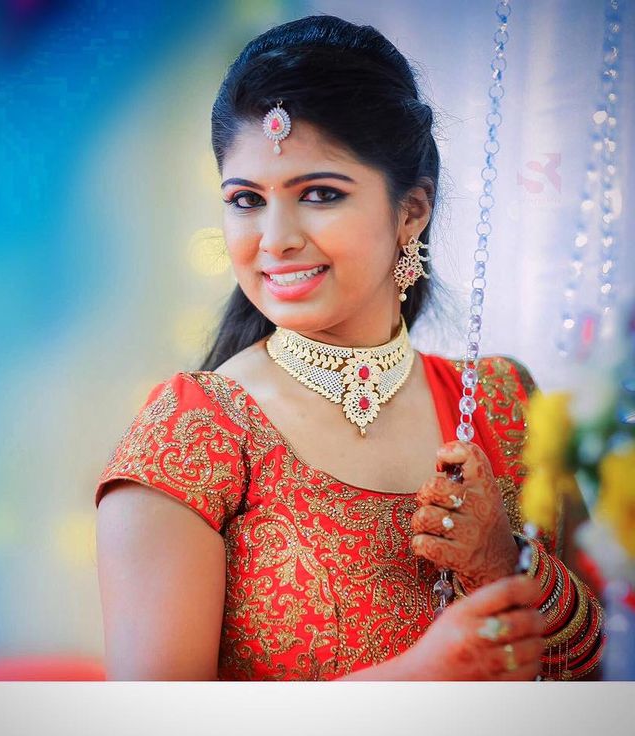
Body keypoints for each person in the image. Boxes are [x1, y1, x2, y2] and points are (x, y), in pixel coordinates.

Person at [94, 15, 604, 681]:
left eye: (320, 195)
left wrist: (504, 562)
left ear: (411, 211)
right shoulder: (193, 434)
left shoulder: (507, 404)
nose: (274, 239)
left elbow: (609, 681)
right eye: (246, 200)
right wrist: (417, 680)